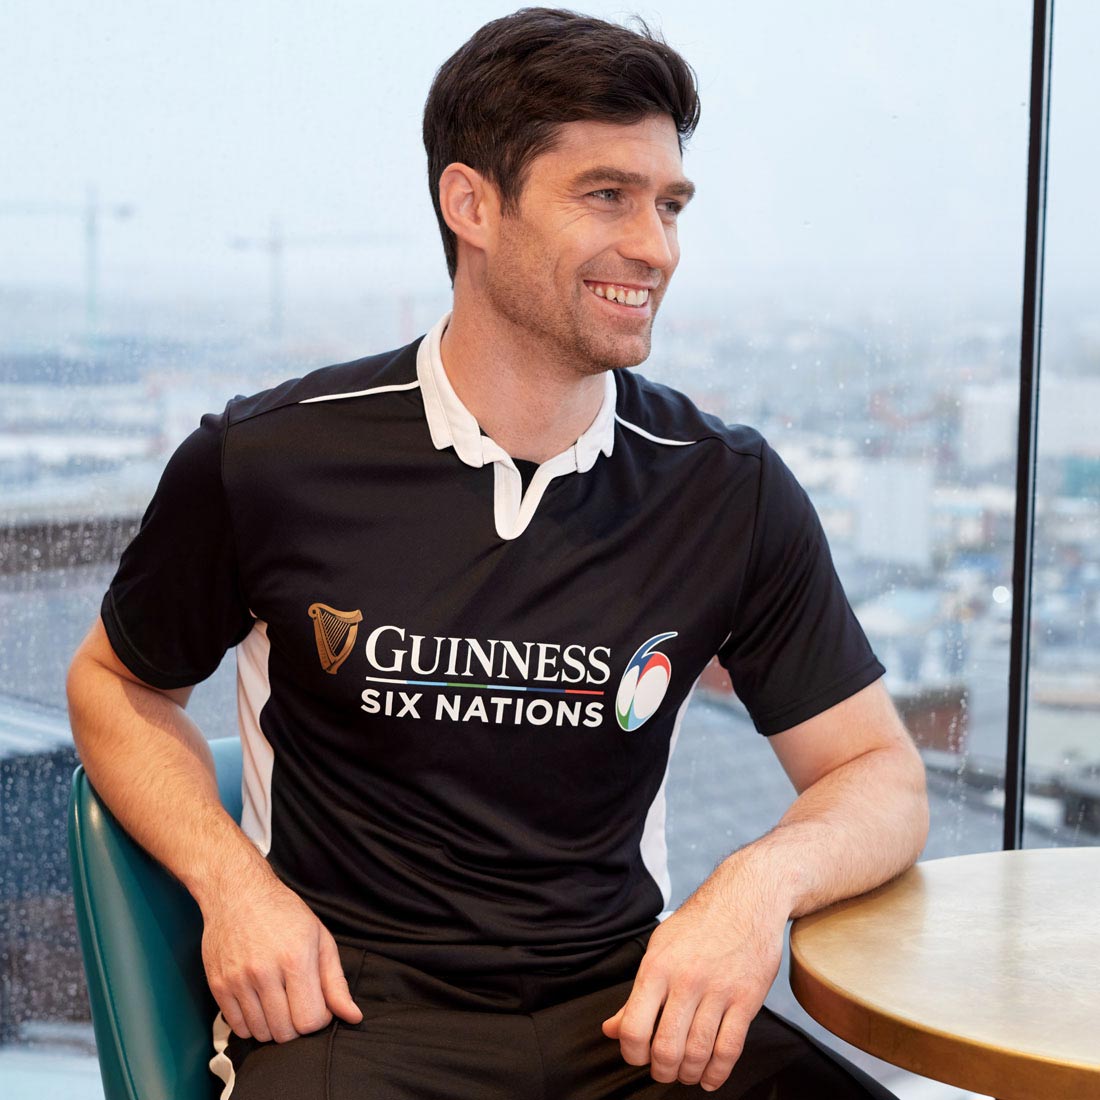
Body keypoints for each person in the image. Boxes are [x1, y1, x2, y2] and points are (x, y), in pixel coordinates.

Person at [66, 8, 929, 1098]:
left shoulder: (724, 485)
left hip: (626, 1006)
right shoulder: (270, 458)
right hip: (352, 1009)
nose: (654, 247)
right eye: (604, 195)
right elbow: (114, 682)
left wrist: (753, 885)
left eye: (667, 205)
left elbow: (878, 774)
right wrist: (233, 883)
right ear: (470, 203)